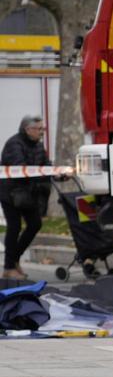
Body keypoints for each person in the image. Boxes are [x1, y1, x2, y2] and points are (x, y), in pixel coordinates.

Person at [1, 115, 51, 279]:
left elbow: (46, 165)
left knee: (35, 224)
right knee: (14, 227)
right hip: (9, 192)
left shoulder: (38, 146)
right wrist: (41, 174)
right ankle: (8, 267)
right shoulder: (14, 144)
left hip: (27, 193)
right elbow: (20, 169)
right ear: (28, 130)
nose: (42, 132)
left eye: (42, 129)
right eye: (39, 129)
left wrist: (57, 173)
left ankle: (14, 259)